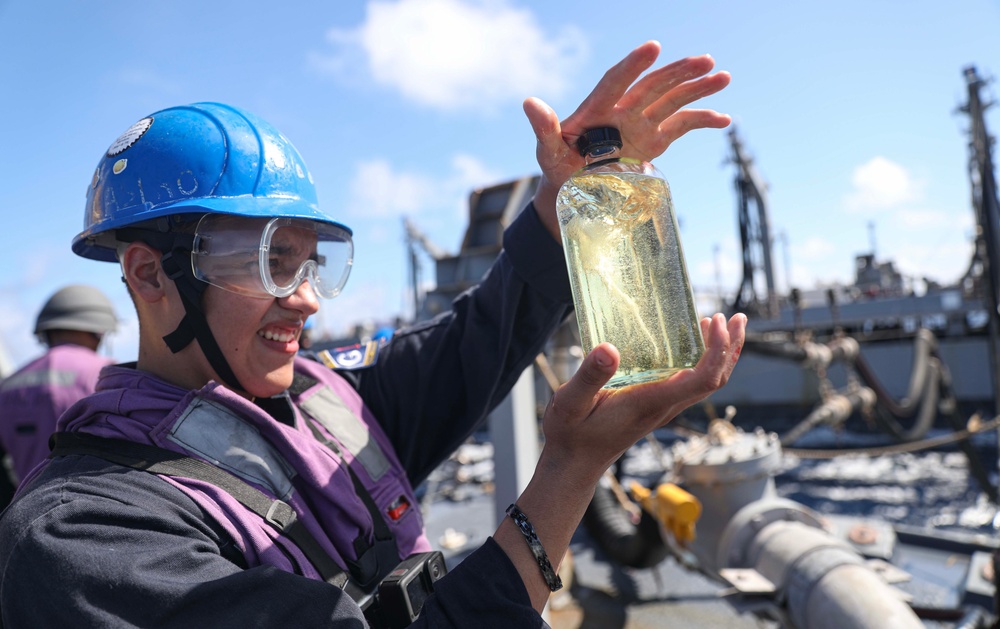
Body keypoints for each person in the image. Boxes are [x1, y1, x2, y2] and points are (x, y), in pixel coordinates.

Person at [0, 41, 746, 627]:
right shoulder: (82, 538)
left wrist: (563, 199)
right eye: (272, 261)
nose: (308, 302)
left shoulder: (330, 402)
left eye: (313, 262)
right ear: (151, 274)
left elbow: (475, 341)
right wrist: (571, 470)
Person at [0, 284, 117, 493]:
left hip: (23, 510)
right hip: (89, 508)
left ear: (46, 332)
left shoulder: (8, 385)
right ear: (99, 331)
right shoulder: (109, 375)